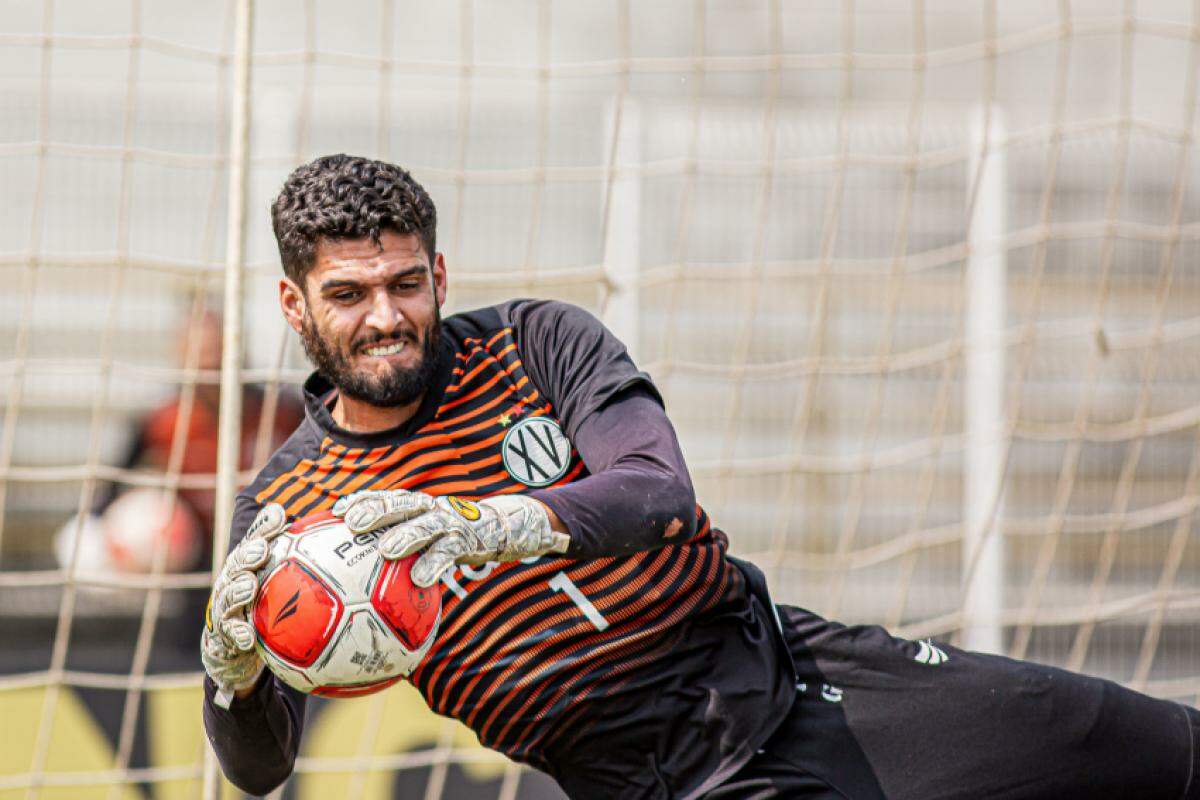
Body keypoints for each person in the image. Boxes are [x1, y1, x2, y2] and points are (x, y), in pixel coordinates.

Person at [201, 154, 1200, 799]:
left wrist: (482, 523)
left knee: (1143, 745)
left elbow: (654, 486)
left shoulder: (533, 341)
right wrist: (229, 669)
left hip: (786, 667)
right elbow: (260, 767)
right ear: (295, 304)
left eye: (404, 283)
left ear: (440, 276)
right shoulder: (290, 513)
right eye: (348, 293)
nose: (385, 315)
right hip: (649, 776)